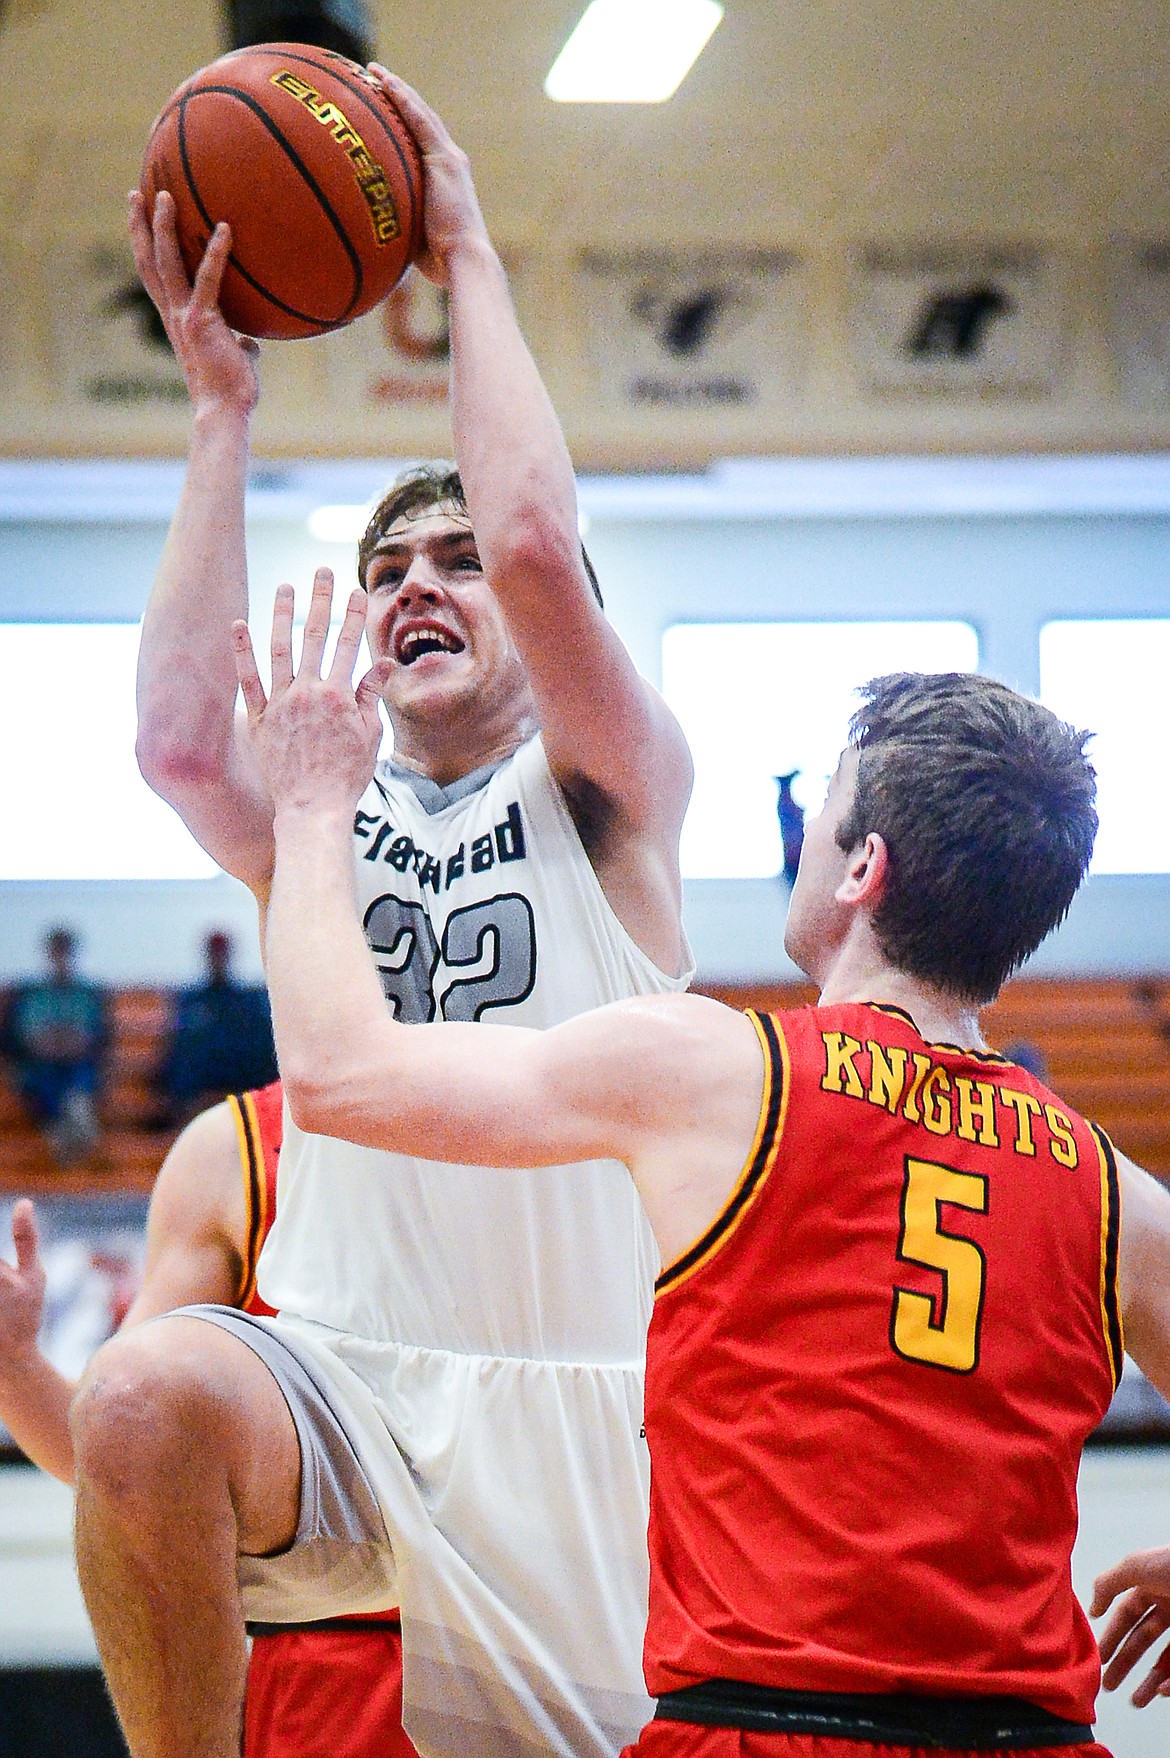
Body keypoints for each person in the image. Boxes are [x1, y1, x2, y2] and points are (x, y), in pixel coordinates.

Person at [235, 632, 1170, 1758]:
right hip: (1035, 1737)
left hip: (763, 1725)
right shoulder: (1118, 1194)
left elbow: (340, 1078)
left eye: (823, 807)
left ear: (864, 866)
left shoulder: (723, 1072)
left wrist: (308, 810)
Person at [72, 68, 692, 1758]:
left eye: (452, 554)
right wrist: (220, 415)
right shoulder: (318, 824)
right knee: (137, 1398)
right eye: (388, 565)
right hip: (342, 1378)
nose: (424, 575)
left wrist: (468, 251)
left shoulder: (611, 794)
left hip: (576, 1394)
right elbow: (174, 742)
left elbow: (546, 543)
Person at [0, 1082, 418, 1758]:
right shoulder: (235, 1152)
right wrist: (14, 1366)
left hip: (559, 1640)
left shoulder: (572, 1104)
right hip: (329, 1670)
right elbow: (127, 1458)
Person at [1, 927, 109, 1165]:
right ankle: (63, 1128)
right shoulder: (31, 994)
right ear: (49, 953)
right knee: (41, 1082)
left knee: (81, 1081)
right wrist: (55, 1042)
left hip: (78, 1069)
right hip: (41, 1071)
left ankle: (70, 1122)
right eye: (56, 950)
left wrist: (63, 1042)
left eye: (65, 950)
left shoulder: (89, 994)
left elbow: (93, 1039)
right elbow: (27, 1039)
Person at [157, 929, 277, 1126]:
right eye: (214, 953)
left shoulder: (249, 1001)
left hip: (241, 1083)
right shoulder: (191, 1001)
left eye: (221, 953)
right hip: (197, 1091)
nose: (217, 958)